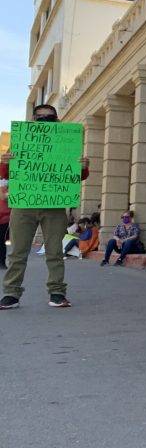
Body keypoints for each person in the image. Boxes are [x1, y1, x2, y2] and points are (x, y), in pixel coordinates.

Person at [0, 104, 90, 310]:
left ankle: (57, 292)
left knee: (55, 251)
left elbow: (75, 176)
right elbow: (5, 174)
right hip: (24, 204)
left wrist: (83, 167)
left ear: (57, 120)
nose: (44, 120)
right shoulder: (21, 141)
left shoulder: (66, 142)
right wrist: (4, 162)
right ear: (33, 120)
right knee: (17, 252)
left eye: (48, 117)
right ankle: (11, 294)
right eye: (40, 117)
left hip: (54, 205)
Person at [0, 178, 9, 269]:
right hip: (4, 215)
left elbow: (3, 197)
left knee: (1, 240)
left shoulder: (5, 183)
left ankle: (2, 261)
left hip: (4, 217)